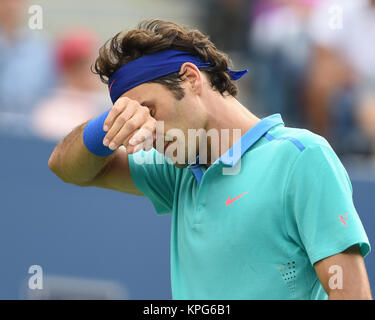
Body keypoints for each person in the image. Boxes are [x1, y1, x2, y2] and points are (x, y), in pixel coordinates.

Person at [48, 19, 372, 299]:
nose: (145, 132)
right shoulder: (177, 172)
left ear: (191, 78)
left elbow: (351, 292)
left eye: (149, 111)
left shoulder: (301, 157)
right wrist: (110, 123)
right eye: (134, 120)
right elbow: (65, 167)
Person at [32, 29, 109, 141]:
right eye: (90, 63)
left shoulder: (104, 105)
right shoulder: (51, 112)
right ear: (71, 70)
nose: (98, 71)